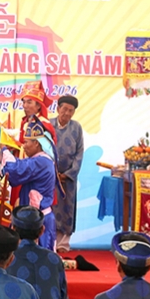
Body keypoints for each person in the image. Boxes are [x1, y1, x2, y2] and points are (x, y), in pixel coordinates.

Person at [2, 116, 58, 250]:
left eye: (27, 142)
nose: (24, 146)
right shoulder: (41, 160)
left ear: (37, 144)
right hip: (34, 218)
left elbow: (16, 170)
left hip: (38, 221)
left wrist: (3, 150)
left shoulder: (41, 162)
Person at [52, 95, 83, 253]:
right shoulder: (48, 125)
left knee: (67, 209)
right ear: (58, 109)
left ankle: (63, 245)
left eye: (71, 111)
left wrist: (68, 174)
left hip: (68, 178)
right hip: (50, 177)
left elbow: (79, 153)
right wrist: (52, 172)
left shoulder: (76, 127)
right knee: (51, 208)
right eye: (64, 109)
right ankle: (50, 243)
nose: (67, 113)